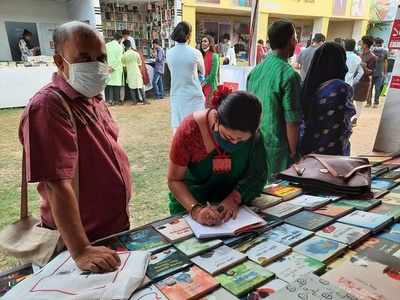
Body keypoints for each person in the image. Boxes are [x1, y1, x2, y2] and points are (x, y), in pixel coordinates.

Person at [19, 21, 132, 273]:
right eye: (84, 59)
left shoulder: (93, 98)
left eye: (101, 57)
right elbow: (56, 183)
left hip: (111, 232)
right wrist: (80, 250)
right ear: (60, 63)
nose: (95, 65)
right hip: (80, 244)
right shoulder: (48, 106)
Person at [167, 85, 267, 224]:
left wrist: (235, 198)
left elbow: (258, 175)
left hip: (232, 214)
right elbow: (174, 180)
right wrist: (196, 210)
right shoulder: (189, 131)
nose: (235, 143)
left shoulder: (254, 136)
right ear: (216, 119)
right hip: (189, 210)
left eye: (241, 140)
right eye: (228, 137)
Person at [247, 20, 301, 182]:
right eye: (296, 37)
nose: (297, 41)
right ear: (291, 40)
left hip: (255, 145)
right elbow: (291, 121)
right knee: (279, 199)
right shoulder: (289, 75)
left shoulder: (255, 71)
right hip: (279, 151)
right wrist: (294, 153)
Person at [300, 42, 356, 156]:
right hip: (332, 154)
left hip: (308, 151)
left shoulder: (307, 87)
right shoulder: (340, 88)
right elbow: (345, 124)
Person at [166, 21, 205, 133]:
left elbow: (172, 71)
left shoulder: (169, 53)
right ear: (188, 35)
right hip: (194, 95)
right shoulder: (195, 53)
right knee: (196, 130)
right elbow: (203, 72)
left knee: (178, 130)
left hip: (177, 94)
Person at [353, 36, 376, 122]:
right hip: (356, 80)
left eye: (361, 42)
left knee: (359, 102)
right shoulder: (360, 54)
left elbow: (371, 72)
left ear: (365, 45)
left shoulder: (372, 57)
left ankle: (355, 119)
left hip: (364, 82)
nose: (360, 43)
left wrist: (364, 67)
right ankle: (351, 117)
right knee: (352, 100)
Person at [122, 40, 148, 105]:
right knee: (140, 86)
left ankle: (134, 101)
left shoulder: (124, 55)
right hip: (137, 72)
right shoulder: (136, 54)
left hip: (129, 73)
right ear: (130, 45)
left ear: (124, 46)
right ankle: (144, 100)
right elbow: (140, 64)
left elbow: (124, 65)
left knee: (132, 88)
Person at [105, 32, 124, 105]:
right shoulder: (120, 47)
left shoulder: (106, 45)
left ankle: (109, 100)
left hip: (108, 67)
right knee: (116, 85)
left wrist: (108, 66)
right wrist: (113, 68)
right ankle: (116, 100)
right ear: (119, 39)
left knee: (109, 85)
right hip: (117, 69)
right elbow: (119, 59)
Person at [200, 35, 219, 106]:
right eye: (202, 41)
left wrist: (203, 83)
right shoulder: (201, 56)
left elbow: (213, 75)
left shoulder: (215, 56)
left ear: (210, 43)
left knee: (210, 108)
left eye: (205, 41)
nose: (203, 43)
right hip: (202, 86)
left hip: (211, 86)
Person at [370, 37, 388, 108]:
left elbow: (385, 61)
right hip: (375, 72)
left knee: (376, 88)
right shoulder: (372, 50)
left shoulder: (384, 51)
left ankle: (375, 102)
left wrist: (385, 73)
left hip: (378, 73)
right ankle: (372, 102)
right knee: (374, 88)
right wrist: (385, 72)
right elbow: (386, 62)